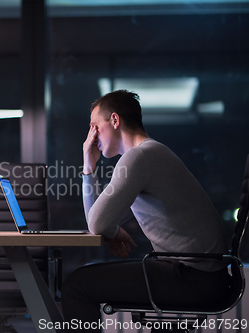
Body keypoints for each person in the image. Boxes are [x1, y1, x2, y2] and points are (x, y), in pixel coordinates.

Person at [61, 90, 230, 332]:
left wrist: (88, 168)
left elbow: (96, 223)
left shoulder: (139, 157)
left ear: (115, 120)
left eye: (94, 126)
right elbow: (100, 219)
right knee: (82, 281)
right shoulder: (150, 154)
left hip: (194, 278)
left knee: (76, 286)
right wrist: (112, 228)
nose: (91, 137)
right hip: (205, 276)